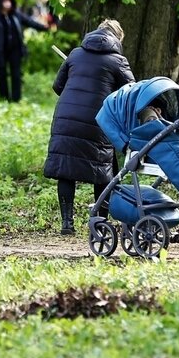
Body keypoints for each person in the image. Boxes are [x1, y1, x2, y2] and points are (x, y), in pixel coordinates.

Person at [43, 20, 135, 235]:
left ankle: (67, 223)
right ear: (117, 39)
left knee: (65, 169)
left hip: (66, 118)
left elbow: (58, 86)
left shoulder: (75, 54)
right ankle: (100, 223)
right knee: (103, 169)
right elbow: (130, 92)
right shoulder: (117, 61)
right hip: (97, 120)